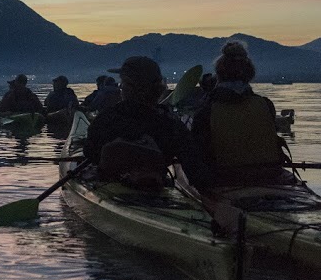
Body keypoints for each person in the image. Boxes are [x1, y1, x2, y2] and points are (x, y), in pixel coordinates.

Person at [83, 56, 211, 190]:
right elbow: (194, 166)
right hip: (155, 188)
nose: (121, 87)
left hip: (111, 186)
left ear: (129, 87)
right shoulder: (170, 123)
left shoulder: (108, 117)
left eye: (123, 83)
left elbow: (90, 152)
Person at [191, 40, 285, 183]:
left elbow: (197, 154)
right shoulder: (266, 105)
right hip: (270, 176)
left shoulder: (206, 111)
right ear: (249, 73)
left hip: (225, 179)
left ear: (219, 74)